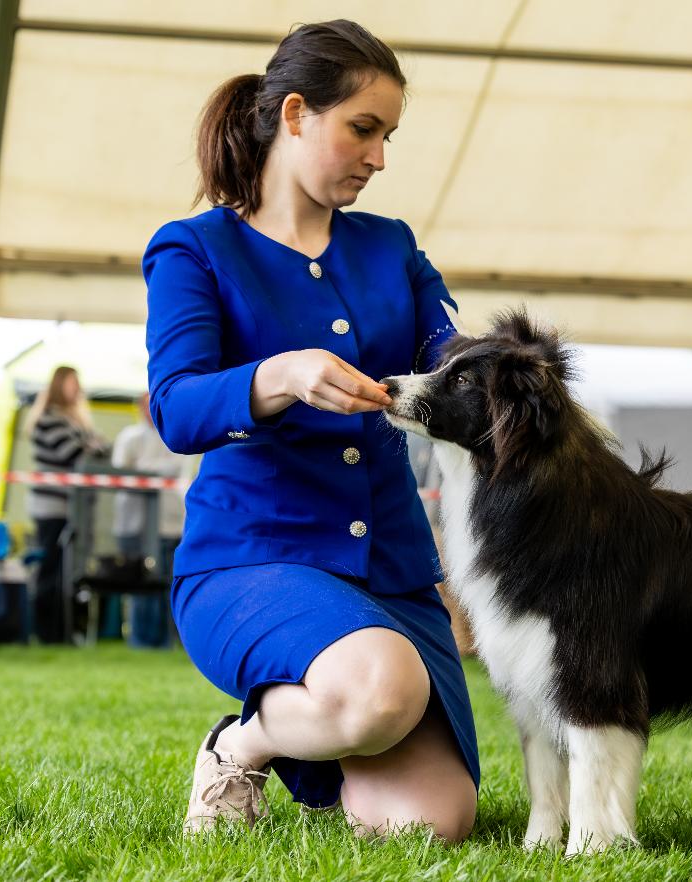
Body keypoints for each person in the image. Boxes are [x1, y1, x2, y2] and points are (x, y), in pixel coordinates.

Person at [143, 20, 477, 842]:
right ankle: (241, 745)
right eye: (363, 128)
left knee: (431, 824)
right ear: (294, 114)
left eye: (388, 135)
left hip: (392, 571)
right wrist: (278, 375)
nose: (380, 156)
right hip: (252, 562)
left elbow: (455, 365)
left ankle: (333, 723)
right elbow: (176, 407)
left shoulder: (393, 247)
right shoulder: (193, 249)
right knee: (380, 693)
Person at [24, 365, 109, 643]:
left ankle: (63, 632)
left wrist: (93, 446)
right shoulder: (49, 419)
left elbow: (101, 447)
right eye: (72, 382)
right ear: (59, 385)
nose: (77, 388)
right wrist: (92, 447)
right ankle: (46, 633)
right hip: (51, 508)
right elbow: (74, 454)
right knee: (51, 570)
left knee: (66, 573)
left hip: (71, 508)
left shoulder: (75, 420)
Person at [111, 392, 192, 648]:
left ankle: (165, 640)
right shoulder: (129, 437)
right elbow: (121, 471)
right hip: (135, 524)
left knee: (167, 584)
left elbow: (177, 468)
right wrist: (157, 469)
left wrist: (145, 468)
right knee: (140, 583)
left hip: (170, 523)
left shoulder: (176, 435)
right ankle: (139, 639)